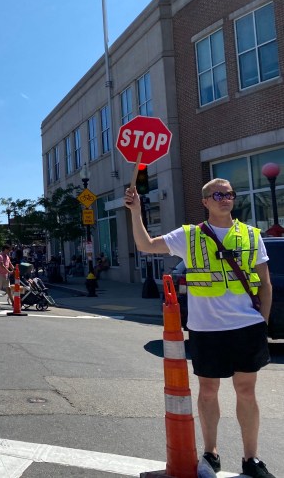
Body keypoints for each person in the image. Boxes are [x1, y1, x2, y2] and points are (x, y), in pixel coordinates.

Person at [124, 178, 274, 478]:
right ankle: (211, 452)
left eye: (229, 194)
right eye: (217, 194)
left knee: (246, 392)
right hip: (206, 329)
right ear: (204, 201)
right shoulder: (189, 235)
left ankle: (251, 458)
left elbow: (265, 283)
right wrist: (135, 211)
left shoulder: (250, 235)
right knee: (208, 391)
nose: (225, 199)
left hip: (247, 326)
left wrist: (262, 323)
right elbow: (145, 245)